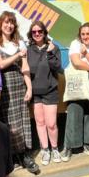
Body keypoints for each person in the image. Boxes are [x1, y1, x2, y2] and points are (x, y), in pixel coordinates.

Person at [0, 11, 39, 174]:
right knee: (10, 122)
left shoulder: (20, 43)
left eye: (11, 23)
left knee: (23, 120)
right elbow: (0, 65)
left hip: (19, 84)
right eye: (6, 22)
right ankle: (13, 155)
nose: (9, 25)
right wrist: (18, 55)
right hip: (4, 87)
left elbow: (25, 68)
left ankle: (25, 155)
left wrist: (29, 88)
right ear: (0, 25)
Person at [61, 22, 89, 162]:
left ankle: (86, 143)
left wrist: (86, 53)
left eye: (88, 34)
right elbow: (76, 62)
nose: (85, 37)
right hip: (78, 79)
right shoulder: (75, 44)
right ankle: (69, 146)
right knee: (74, 110)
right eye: (83, 34)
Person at [26, 21, 62, 165]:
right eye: (34, 32)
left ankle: (55, 149)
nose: (37, 34)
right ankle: (45, 149)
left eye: (39, 31)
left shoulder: (53, 48)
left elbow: (58, 67)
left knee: (51, 124)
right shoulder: (28, 50)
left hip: (50, 91)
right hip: (35, 93)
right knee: (40, 122)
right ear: (31, 34)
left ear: (44, 32)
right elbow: (25, 70)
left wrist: (50, 52)